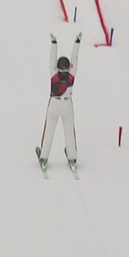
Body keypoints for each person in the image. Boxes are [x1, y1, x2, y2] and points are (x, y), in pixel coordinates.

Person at [37, 32, 82, 171]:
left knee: (49, 130)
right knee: (69, 131)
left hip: (54, 104)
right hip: (67, 104)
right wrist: (77, 42)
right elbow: (75, 58)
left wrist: (54, 43)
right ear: (68, 67)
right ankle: (72, 158)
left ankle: (44, 157)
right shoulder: (71, 75)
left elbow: (52, 59)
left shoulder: (54, 74)